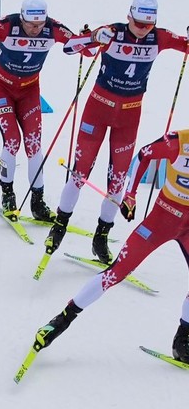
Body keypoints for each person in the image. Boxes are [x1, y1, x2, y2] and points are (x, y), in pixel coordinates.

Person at [46, 0, 189, 264]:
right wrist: (93, 38)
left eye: (149, 24)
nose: (143, 28)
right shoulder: (113, 32)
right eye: (138, 22)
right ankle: (60, 225)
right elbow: (70, 49)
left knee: (118, 179)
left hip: (129, 114)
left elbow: (185, 45)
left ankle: (101, 237)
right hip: (97, 110)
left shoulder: (159, 37)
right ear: (129, 16)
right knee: (80, 171)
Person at [28, 129, 189, 364]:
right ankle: (62, 319)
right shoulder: (180, 142)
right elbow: (144, 155)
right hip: (161, 221)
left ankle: (183, 340)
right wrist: (130, 195)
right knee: (116, 272)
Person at [0, 0, 75, 218]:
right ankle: (7, 195)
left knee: (34, 145)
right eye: (30, 24)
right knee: (12, 140)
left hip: (29, 90)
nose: (35, 30)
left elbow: (81, 46)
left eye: (39, 25)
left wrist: (94, 38)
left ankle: (38, 200)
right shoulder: (6, 26)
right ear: (22, 18)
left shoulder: (53, 28)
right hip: (1, 87)